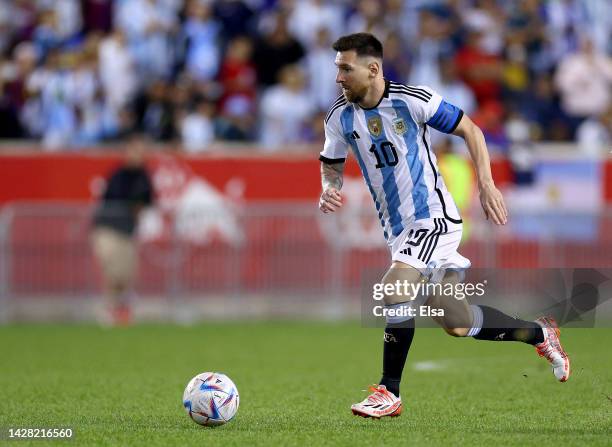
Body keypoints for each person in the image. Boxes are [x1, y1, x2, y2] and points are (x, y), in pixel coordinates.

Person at [318, 33, 570, 419]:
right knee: (456, 321)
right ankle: (540, 333)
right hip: (398, 230)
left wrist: (486, 183)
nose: (339, 77)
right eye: (337, 68)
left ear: (373, 69)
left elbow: (471, 129)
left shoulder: (412, 100)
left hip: (433, 218)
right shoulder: (339, 116)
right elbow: (331, 163)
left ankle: (389, 391)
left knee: (393, 287)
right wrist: (329, 187)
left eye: (345, 68)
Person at [91, 133, 154, 325]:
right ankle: (109, 310)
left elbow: (149, 200)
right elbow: (115, 198)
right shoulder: (118, 175)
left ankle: (122, 313)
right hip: (108, 228)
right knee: (112, 272)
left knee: (126, 275)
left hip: (128, 231)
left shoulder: (144, 177)